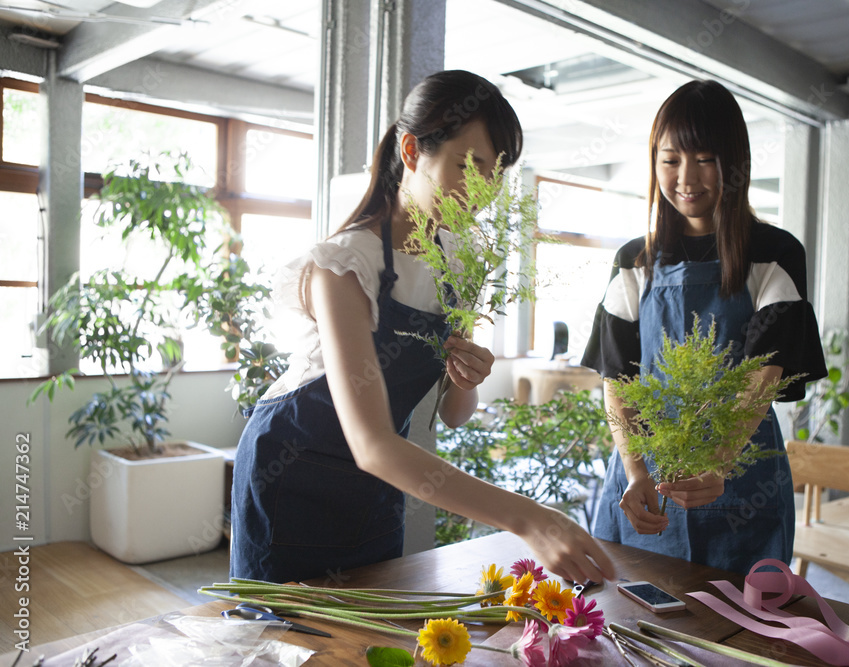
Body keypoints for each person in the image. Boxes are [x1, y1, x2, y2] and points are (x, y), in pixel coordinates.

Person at [230, 70, 614, 586]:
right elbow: (370, 443)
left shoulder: (459, 262)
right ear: (412, 152)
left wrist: (465, 376)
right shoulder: (343, 265)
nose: (482, 189)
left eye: (496, 174)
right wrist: (530, 517)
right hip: (294, 476)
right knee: (287, 645)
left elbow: (454, 414)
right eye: (468, 164)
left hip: (379, 484)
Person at [581, 80, 827, 575]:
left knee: (739, 629)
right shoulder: (634, 260)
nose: (686, 177)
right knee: (636, 616)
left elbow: (764, 377)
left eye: (706, 159)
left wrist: (717, 461)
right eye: (671, 160)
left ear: (735, 164)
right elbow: (617, 379)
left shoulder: (774, 255)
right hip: (645, 478)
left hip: (742, 477)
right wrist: (635, 469)